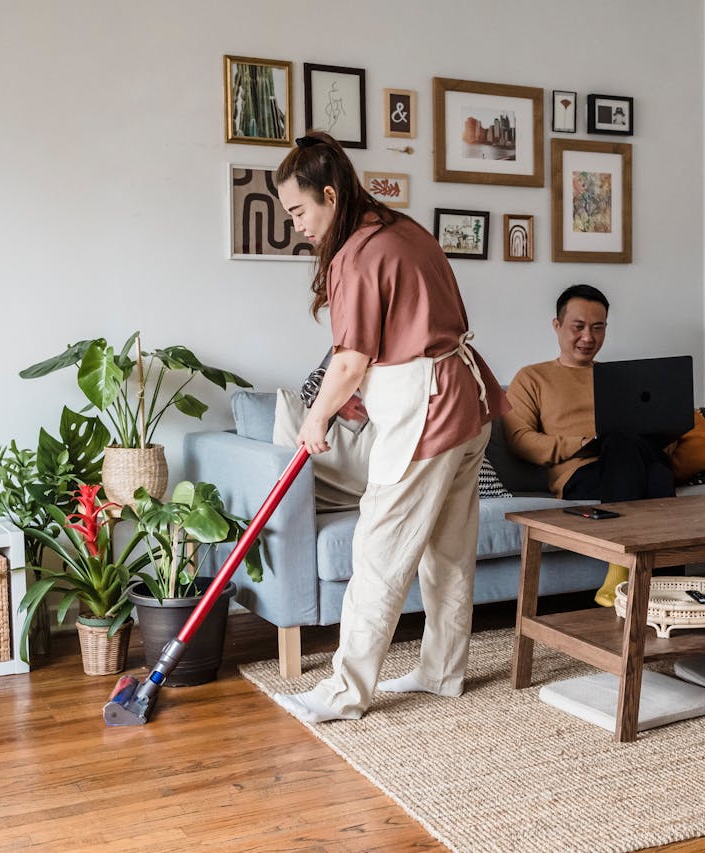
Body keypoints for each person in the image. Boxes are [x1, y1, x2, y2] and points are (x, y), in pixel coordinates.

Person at [271, 131, 509, 724]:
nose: (297, 224)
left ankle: (346, 693)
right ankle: (442, 670)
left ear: (329, 194)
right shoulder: (403, 229)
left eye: (300, 210)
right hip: (468, 399)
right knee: (449, 550)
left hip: (426, 411)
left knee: (378, 550)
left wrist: (317, 416)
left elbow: (352, 361)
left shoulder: (356, 253)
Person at [503, 284, 675, 607]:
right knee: (648, 466)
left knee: (653, 466)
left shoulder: (621, 379)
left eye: (598, 328)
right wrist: (579, 444)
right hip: (580, 474)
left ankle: (650, 589)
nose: (588, 337)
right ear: (557, 326)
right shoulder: (532, 378)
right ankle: (635, 572)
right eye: (578, 327)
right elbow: (519, 441)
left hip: (630, 461)